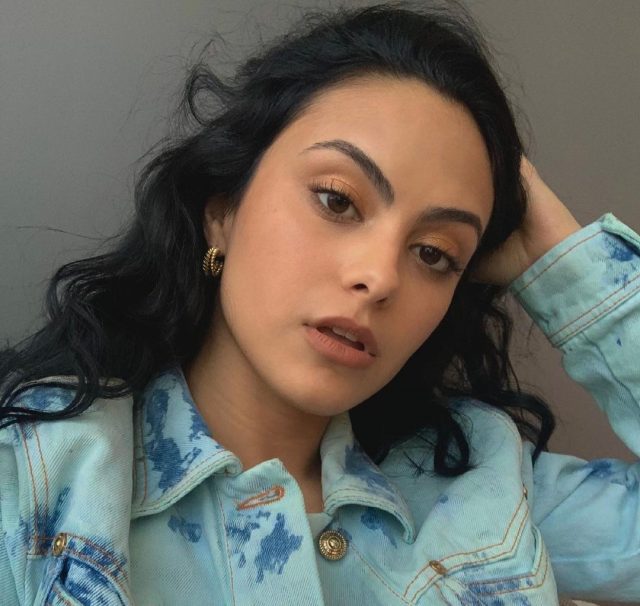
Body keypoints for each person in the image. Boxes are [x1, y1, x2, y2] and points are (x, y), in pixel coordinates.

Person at [0, 3, 638, 605]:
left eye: (435, 253)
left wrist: (560, 257)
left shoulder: (479, 480)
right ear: (222, 211)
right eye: (337, 200)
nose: (379, 278)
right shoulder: (39, 482)